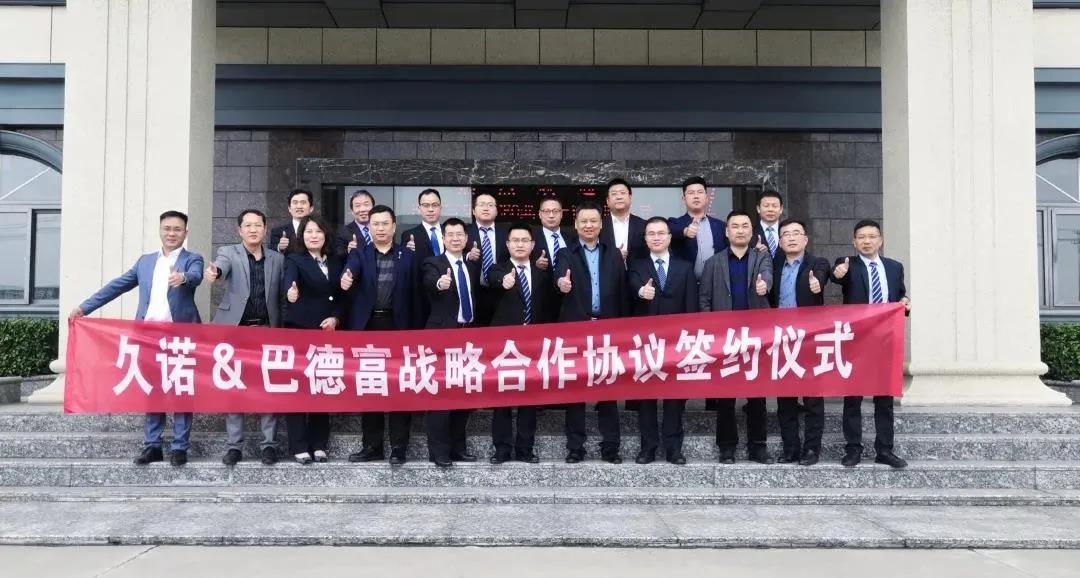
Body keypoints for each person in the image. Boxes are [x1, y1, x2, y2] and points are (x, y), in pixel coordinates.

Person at [69, 210, 204, 467]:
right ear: (160, 230)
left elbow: (196, 275)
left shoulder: (192, 259)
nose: (172, 233)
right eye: (167, 228)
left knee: (181, 390)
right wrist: (85, 307)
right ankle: (152, 446)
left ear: (185, 233)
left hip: (179, 336)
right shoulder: (145, 262)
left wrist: (183, 277)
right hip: (148, 336)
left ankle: (179, 447)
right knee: (152, 390)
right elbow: (117, 285)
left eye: (177, 229)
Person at [204, 209, 284, 466]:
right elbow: (220, 268)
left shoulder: (277, 259)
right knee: (234, 387)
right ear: (239, 230)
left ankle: (269, 445)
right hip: (235, 331)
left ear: (265, 229)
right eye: (247, 225)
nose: (253, 230)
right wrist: (215, 273)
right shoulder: (228, 253)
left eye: (257, 225)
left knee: (267, 388)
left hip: (267, 330)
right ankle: (234, 446)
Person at [831, 219, 912, 469]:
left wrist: (906, 303)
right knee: (853, 398)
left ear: (880, 240)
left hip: (886, 340)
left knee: (884, 398)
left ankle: (884, 450)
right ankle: (853, 449)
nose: (867, 241)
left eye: (872, 236)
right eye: (861, 237)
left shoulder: (894, 267)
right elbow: (838, 276)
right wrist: (838, 273)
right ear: (854, 242)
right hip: (856, 340)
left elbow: (899, 296)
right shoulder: (848, 264)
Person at [340, 205, 417, 466]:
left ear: (394, 227)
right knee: (371, 386)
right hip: (369, 328)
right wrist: (346, 278)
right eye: (376, 224)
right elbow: (350, 271)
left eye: (385, 224)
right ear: (369, 227)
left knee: (399, 388)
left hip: (399, 327)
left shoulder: (408, 256)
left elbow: (417, 295)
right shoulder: (359, 254)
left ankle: (399, 447)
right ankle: (372, 446)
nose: (380, 228)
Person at [553, 201, 629, 464]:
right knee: (575, 391)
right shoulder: (566, 253)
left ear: (600, 224)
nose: (588, 225)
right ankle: (576, 447)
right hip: (577, 330)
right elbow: (559, 278)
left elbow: (622, 291)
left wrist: (623, 328)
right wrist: (561, 283)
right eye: (583, 221)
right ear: (575, 224)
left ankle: (611, 447)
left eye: (593, 221)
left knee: (608, 390)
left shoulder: (613, 254)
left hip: (607, 329)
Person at [699, 210, 774, 465]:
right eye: (735, 226)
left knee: (757, 395)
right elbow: (705, 299)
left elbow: (767, 277)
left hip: (756, 336)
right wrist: (710, 332)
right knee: (725, 396)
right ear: (727, 231)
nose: (740, 230)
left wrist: (764, 286)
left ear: (752, 232)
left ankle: (758, 446)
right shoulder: (713, 262)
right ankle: (727, 447)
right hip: (724, 337)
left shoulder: (762, 257)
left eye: (745, 226)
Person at [627, 217, 697, 465]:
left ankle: (673, 449)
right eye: (651, 234)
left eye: (661, 233)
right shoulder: (636, 265)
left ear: (669, 237)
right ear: (645, 239)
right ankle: (648, 448)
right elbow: (630, 290)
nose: (656, 237)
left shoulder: (684, 267)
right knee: (646, 398)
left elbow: (691, 306)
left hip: (676, 343)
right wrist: (640, 292)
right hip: (646, 343)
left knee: (674, 398)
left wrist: (689, 340)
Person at [282, 215, 344, 465]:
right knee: (298, 390)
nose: (314, 236)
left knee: (322, 387)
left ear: (325, 234)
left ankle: (319, 444)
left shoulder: (337, 260)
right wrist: (290, 293)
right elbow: (289, 285)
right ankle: (299, 445)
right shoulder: (295, 259)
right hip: (301, 331)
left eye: (318, 231)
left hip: (327, 333)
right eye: (309, 231)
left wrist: (336, 318)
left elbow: (342, 295)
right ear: (302, 236)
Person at [768, 218, 830, 467]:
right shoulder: (774, 265)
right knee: (785, 399)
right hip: (780, 339)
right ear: (780, 241)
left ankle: (812, 449)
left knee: (813, 398)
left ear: (805, 239)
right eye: (786, 234)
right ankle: (790, 449)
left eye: (796, 233)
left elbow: (823, 275)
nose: (791, 238)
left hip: (809, 339)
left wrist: (818, 283)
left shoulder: (817, 263)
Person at [486, 223, 549, 464]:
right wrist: (504, 281)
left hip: (533, 346)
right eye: (515, 240)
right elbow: (493, 279)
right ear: (508, 244)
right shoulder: (498, 269)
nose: (520, 244)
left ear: (532, 245)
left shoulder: (542, 274)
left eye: (525, 240)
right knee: (502, 400)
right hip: (505, 347)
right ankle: (502, 449)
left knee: (529, 400)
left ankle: (525, 449)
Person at [422, 217, 481, 467]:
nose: (455, 238)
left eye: (460, 235)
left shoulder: (471, 266)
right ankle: (439, 451)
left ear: (466, 239)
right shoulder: (433, 263)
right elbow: (429, 281)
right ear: (443, 238)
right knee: (441, 397)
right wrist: (440, 283)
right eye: (451, 235)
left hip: (468, 337)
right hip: (443, 337)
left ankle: (458, 448)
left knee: (463, 396)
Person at [668, 176, 729, 281]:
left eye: (700, 192)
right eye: (691, 193)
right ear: (683, 199)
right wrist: (685, 231)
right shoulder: (675, 223)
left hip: (716, 283)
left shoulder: (720, 226)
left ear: (706, 197)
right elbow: (671, 231)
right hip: (686, 284)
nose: (696, 196)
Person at [399, 188, 444, 326]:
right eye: (425, 205)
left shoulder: (450, 233)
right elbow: (405, 269)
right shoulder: (409, 235)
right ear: (419, 208)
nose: (430, 209)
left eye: (434, 205)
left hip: (449, 295)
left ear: (441, 207)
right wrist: (408, 254)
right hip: (422, 297)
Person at [466, 192, 509, 327]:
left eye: (490, 205)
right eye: (482, 205)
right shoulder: (464, 232)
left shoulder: (507, 233)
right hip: (473, 293)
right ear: (473, 211)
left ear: (496, 211)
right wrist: (468, 256)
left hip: (502, 291)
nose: (486, 208)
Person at [532, 196, 576, 322]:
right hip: (541, 300)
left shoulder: (572, 239)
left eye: (555, 211)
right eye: (547, 211)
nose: (551, 215)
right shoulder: (531, 238)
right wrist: (534, 264)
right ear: (540, 214)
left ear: (561, 214)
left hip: (568, 299)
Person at [600, 178, 647, 263]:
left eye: (622, 193)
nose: (619, 197)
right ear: (607, 201)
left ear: (630, 198)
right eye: (614, 194)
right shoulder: (599, 226)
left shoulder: (643, 225)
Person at [269, 189, 315, 254]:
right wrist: (279, 247)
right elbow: (271, 253)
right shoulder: (277, 232)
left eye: (303, 203)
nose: (299, 206)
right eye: (295, 203)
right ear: (289, 208)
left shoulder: (321, 231)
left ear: (311, 208)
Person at [334, 189, 375, 258]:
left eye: (366, 204)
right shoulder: (343, 232)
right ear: (352, 211)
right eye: (357, 206)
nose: (362, 209)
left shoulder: (381, 228)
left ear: (373, 208)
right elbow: (338, 256)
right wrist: (348, 250)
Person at [752, 190, 785, 260]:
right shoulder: (750, 233)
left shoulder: (787, 232)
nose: (770, 209)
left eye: (774, 206)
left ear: (781, 209)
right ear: (758, 209)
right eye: (766, 206)